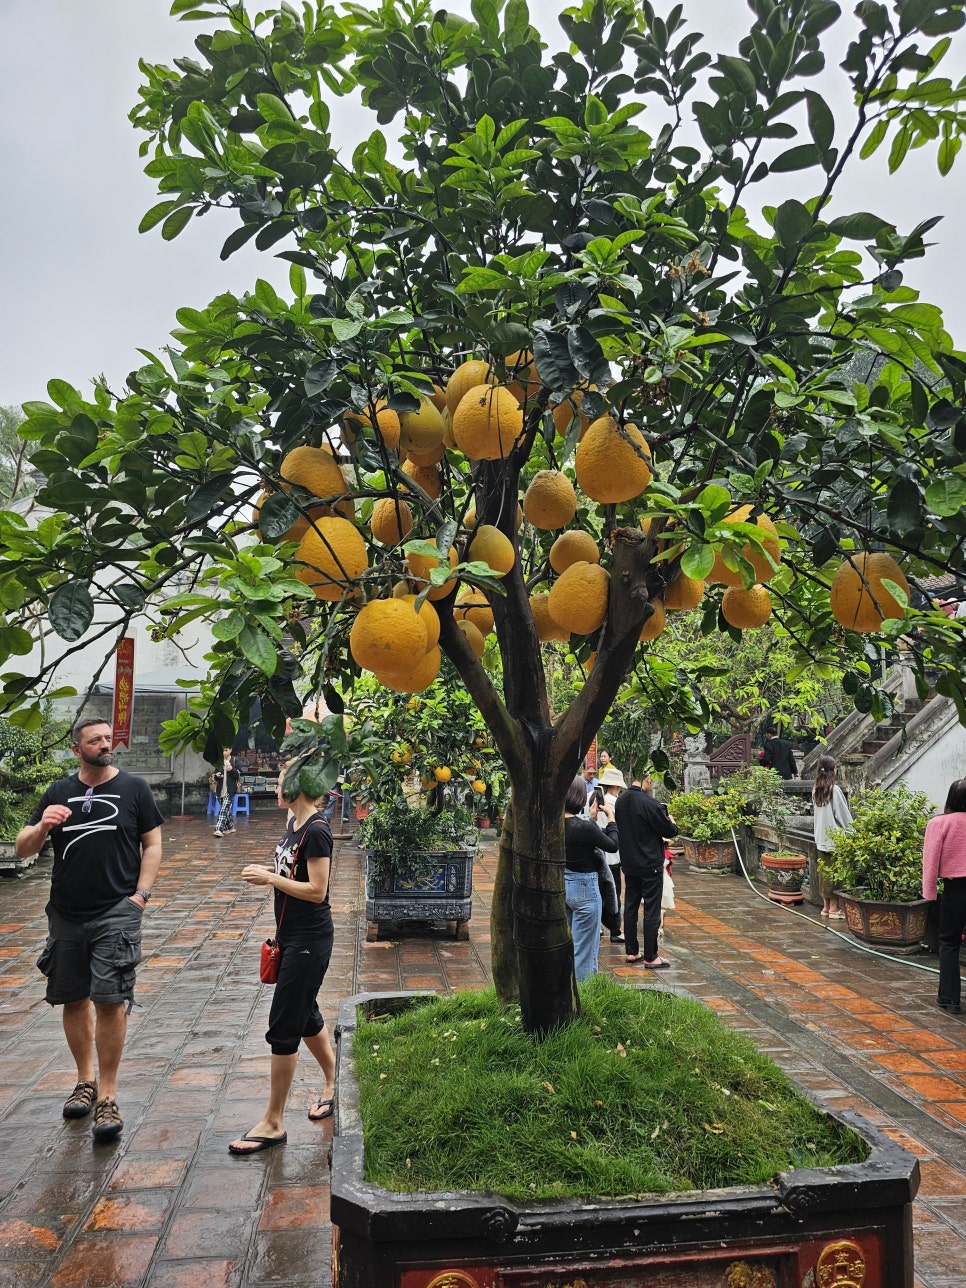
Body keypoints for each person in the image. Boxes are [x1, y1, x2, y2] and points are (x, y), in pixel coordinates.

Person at [16, 717, 164, 1142]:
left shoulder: (134, 788)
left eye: (107, 739)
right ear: (77, 750)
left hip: (116, 909)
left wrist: (141, 895)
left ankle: (109, 1096)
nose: (105, 745)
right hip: (65, 913)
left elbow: (152, 843)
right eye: (95, 741)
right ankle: (85, 1082)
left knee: (110, 999)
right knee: (73, 999)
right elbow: (23, 845)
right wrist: (43, 824)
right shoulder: (58, 793)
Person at [229, 759, 336, 1154]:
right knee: (304, 1013)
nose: (274, 789)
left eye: (279, 783)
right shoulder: (293, 826)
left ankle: (273, 1122)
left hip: (310, 941)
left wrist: (270, 877)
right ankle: (334, 1081)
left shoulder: (317, 831)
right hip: (290, 937)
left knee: (284, 1025)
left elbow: (317, 891)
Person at [615, 772, 678, 968]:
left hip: (629, 862)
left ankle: (632, 951)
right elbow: (669, 831)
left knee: (631, 906)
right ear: (647, 779)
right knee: (651, 909)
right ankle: (651, 956)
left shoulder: (620, 801)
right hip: (649, 863)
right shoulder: (649, 803)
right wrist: (672, 822)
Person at [564, 774, 618, 982]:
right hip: (585, 888)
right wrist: (611, 819)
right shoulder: (584, 827)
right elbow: (612, 845)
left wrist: (592, 820)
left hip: (562, 885)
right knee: (585, 949)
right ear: (579, 798)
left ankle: (568, 989)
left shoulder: (550, 825)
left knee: (569, 943)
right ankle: (584, 996)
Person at [922, 779, 966, 1016]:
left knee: (949, 943)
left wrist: (929, 893)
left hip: (955, 889)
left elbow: (930, 861)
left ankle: (950, 999)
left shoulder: (939, 823)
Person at [812, 755, 852, 919]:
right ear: (833, 770)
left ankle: (826, 906)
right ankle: (834, 908)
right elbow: (843, 816)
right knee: (836, 875)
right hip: (835, 839)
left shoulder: (816, 788)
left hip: (821, 837)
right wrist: (853, 832)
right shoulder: (834, 789)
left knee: (824, 873)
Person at [597, 765, 627, 941]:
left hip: (598, 852)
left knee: (599, 891)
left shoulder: (594, 799)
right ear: (617, 786)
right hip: (613, 854)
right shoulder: (617, 803)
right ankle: (615, 930)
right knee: (614, 893)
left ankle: (599, 926)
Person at [213, 747, 241, 838]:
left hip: (230, 789)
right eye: (223, 750)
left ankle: (219, 829)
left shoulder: (235, 761)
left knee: (224, 809)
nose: (224, 752)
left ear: (230, 750)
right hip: (220, 789)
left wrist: (231, 769)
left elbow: (238, 775)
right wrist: (217, 776)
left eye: (226, 750)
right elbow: (215, 775)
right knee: (225, 809)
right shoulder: (219, 762)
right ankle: (230, 827)